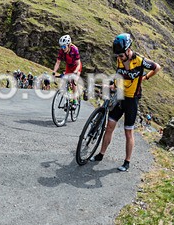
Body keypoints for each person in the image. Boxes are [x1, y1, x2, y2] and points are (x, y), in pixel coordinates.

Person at [94, 33, 161, 172]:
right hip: (120, 96)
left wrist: (145, 77)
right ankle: (101, 154)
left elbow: (157, 67)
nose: (119, 58)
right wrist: (112, 85)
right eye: (117, 55)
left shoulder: (139, 60)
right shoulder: (119, 59)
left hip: (132, 100)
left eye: (121, 55)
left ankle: (127, 162)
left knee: (128, 132)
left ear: (128, 50)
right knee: (110, 126)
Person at [52, 34, 83, 103]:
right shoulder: (61, 51)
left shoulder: (74, 49)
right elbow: (57, 63)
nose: (63, 48)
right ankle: (69, 95)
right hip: (69, 66)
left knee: (73, 81)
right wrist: (54, 72)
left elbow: (78, 64)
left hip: (77, 67)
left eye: (64, 46)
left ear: (68, 45)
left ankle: (75, 100)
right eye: (61, 46)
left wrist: (75, 72)